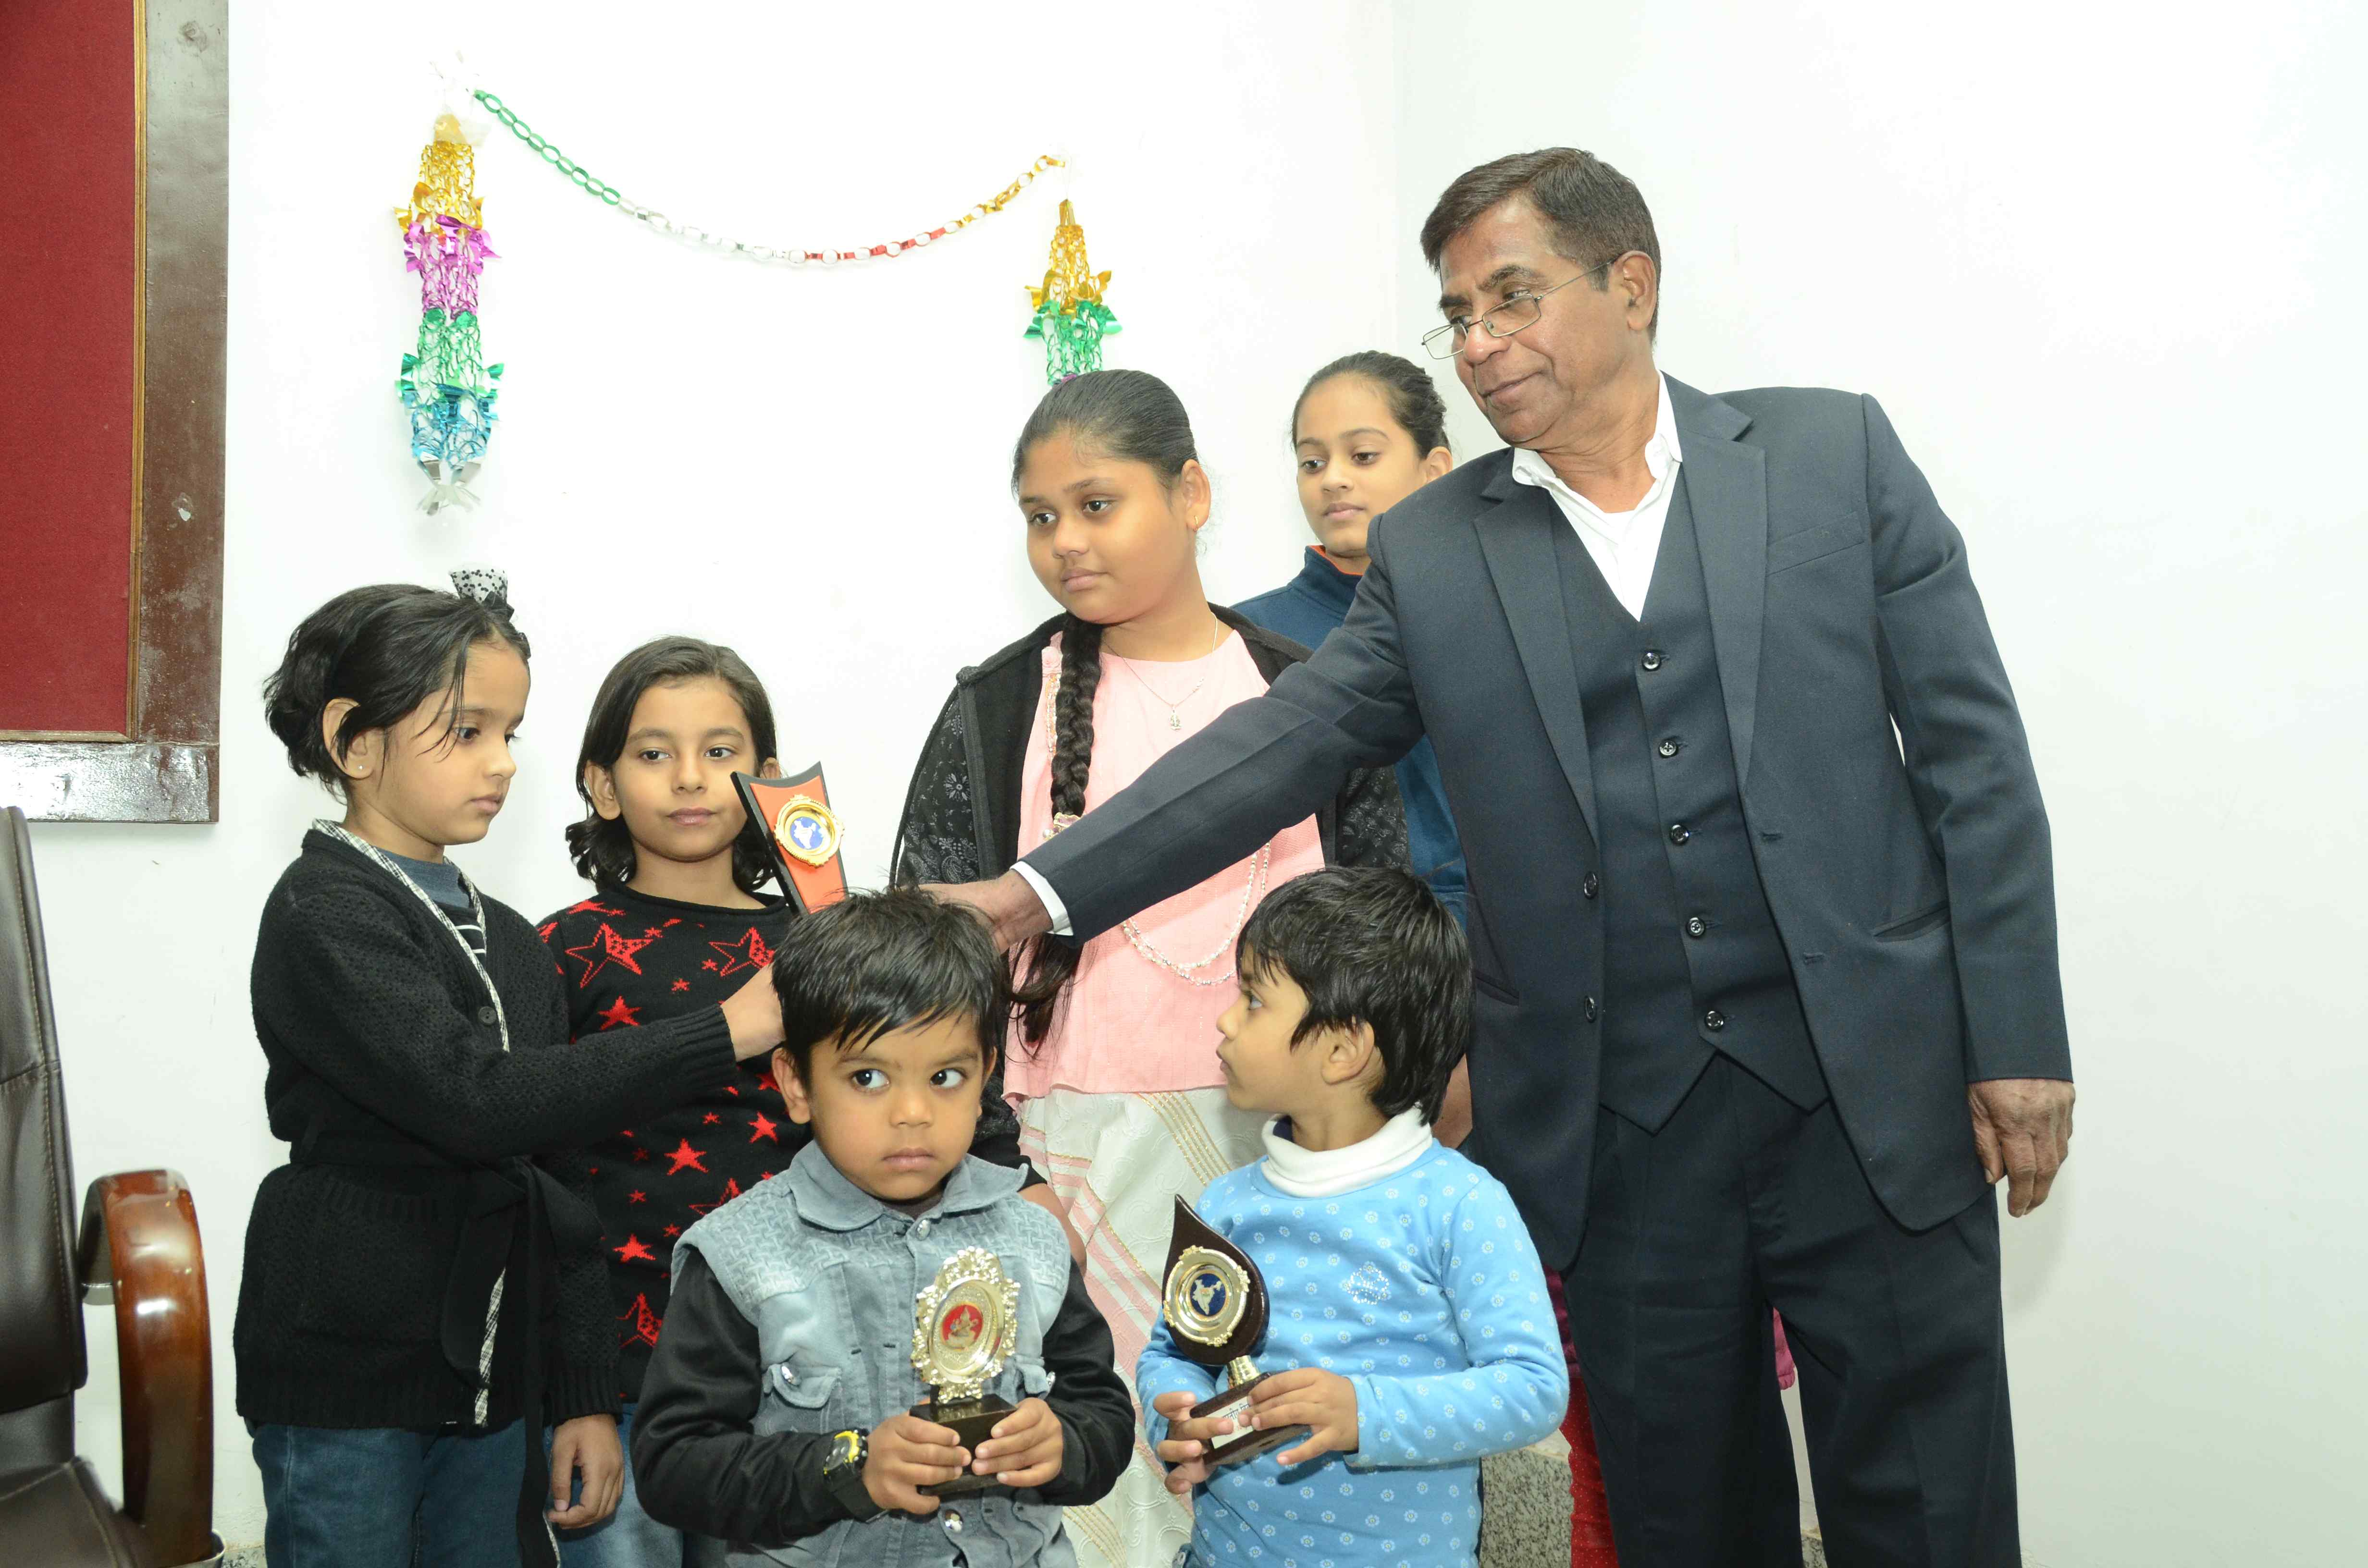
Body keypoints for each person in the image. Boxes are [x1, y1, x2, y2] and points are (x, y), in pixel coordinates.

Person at [935, 148, 2076, 1568]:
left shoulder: (1828, 459)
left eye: (1511, 297)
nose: (1478, 343)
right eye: (1457, 314)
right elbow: (1275, 745)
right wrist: (1035, 892)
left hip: (1875, 1096)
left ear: (1631, 285)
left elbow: (1974, 763)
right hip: (1621, 1134)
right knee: (1685, 1522)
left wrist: (2017, 1040)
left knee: (1931, 1506)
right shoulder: (1435, 550)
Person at [890, 368, 1411, 1567]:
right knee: (1092, 1494)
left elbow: (1388, 933)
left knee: (1265, 1479)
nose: (1065, 543)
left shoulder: (1309, 698)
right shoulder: (999, 706)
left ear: (1191, 494)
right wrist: (997, 1167)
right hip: (1061, 1166)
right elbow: (925, 971)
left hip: (1284, 1159)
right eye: (1039, 516)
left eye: (1095, 505)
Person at [239, 574, 784, 1568]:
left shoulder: (510, 940)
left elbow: (556, 1184)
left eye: (510, 733)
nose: (501, 762)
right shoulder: (325, 908)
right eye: (466, 732)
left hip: (493, 1382)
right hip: (347, 1373)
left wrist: (580, 1395)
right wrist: (723, 1031)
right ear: (354, 741)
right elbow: (473, 1101)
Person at [537, 636, 1075, 1566]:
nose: (689, 776)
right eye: (654, 752)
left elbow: (934, 1072)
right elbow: (544, 1174)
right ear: (603, 783)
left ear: (766, 777)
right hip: (626, 1369)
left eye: (719, 750)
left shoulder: (823, 943)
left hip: (824, 1369)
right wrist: (576, 1397)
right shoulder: (566, 949)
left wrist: (1020, 1183)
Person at [628, 889, 1135, 1563]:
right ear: (797, 1083)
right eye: (868, 1078)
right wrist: (849, 1468)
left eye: (945, 1076)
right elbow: (673, 1467)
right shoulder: (739, 1256)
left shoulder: (1035, 1238)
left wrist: (1062, 1444)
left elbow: (1103, 1414)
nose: (912, 1112)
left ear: (985, 1076)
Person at [1140, 868, 1567, 1568]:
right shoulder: (1224, 1204)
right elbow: (1172, 1350)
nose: (1226, 1021)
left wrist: (1365, 1412)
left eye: (1253, 1001)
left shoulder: (1459, 1205)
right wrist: (1179, 1412)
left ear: (1343, 1050)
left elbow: (1532, 1387)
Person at [1236, 351, 1464, 927]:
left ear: (1435, 469)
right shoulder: (1251, 638)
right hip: (1341, 953)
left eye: (1362, 456)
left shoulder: (1494, 613)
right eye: (1311, 462)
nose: (1332, 478)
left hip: (1515, 942)